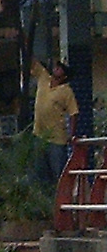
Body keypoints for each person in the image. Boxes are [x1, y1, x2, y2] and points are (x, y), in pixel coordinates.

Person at [32, 59, 79, 187]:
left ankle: (60, 201)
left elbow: (73, 113)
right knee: (40, 174)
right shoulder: (44, 77)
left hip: (57, 139)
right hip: (39, 134)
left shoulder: (66, 91)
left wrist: (71, 134)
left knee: (58, 174)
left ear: (65, 76)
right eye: (57, 66)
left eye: (61, 68)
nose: (57, 68)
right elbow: (32, 62)